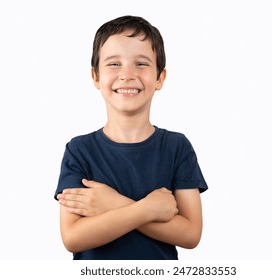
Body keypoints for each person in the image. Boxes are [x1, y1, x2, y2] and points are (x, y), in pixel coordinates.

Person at [54, 15, 208, 260]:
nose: (127, 74)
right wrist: (146, 209)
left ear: (160, 78)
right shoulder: (79, 150)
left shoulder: (177, 147)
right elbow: (73, 237)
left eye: (141, 64)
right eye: (114, 64)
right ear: (95, 76)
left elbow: (190, 234)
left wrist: (112, 203)